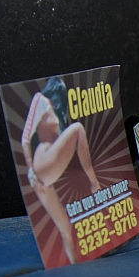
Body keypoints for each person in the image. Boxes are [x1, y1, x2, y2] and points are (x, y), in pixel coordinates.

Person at [21, 76, 101, 265]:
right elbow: (25, 139)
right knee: (78, 128)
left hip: (46, 176)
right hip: (41, 164)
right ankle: (94, 182)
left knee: (66, 230)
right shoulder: (39, 100)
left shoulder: (56, 110)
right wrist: (31, 170)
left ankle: (75, 268)